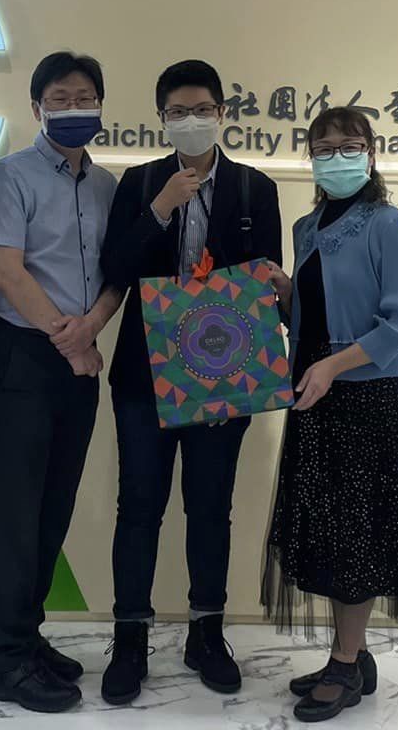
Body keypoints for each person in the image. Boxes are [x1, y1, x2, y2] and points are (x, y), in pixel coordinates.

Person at [96, 60, 283, 704]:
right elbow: (115, 267)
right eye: (178, 112)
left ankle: (207, 632)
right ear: (162, 119)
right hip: (144, 374)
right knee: (138, 507)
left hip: (224, 373)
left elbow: (266, 279)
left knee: (209, 507)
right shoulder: (141, 181)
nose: (192, 121)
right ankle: (130, 638)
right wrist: (160, 209)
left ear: (222, 113)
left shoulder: (255, 188)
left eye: (203, 109)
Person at [259, 106, 398, 723]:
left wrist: (334, 366)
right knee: (332, 535)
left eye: (349, 145)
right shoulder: (307, 228)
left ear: (370, 151)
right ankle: (352, 657)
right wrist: (288, 296)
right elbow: (315, 316)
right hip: (315, 398)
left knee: (358, 537)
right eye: (324, 147)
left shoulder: (389, 225)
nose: (336, 157)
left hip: (367, 401)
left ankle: (344, 662)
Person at [0, 50, 122, 713]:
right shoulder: (9, 177)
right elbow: (8, 272)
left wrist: (90, 328)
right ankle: (5, 660)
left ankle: (28, 637)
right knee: (16, 510)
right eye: (59, 98)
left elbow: (118, 273)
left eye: (84, 97)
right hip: (25, 356)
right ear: (37, 107)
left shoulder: (108, 187)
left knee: (53, 504)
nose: (73, 108)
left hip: (79, 356)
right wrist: (71, 339)